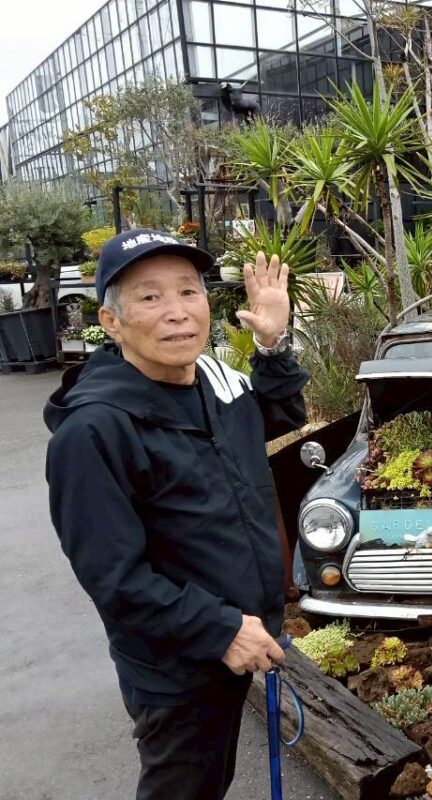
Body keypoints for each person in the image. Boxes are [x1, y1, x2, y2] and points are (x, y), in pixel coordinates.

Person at [44, 229, 309, 800]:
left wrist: (271, 346)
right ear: (111, 322)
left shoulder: (218, 386)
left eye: (189, 291)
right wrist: (222, 629)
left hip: (238, 640)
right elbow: (114, 578)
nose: (177, 312)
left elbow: (279, 416)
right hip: (177, 669)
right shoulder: (93, 431)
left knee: (213, 780)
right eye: (150, 297)